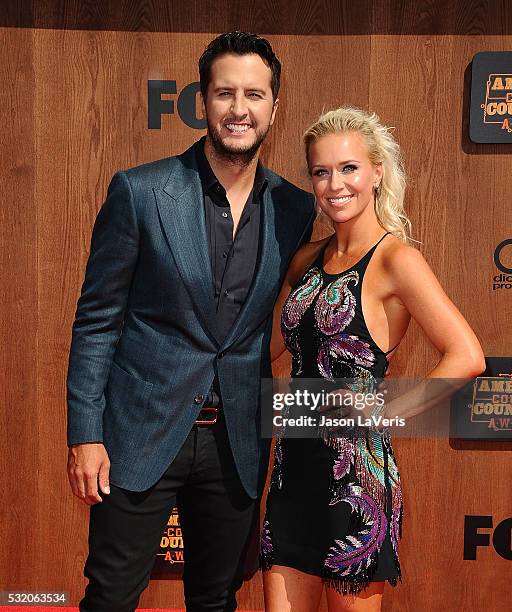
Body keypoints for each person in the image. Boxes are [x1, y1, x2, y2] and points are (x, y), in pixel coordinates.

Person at [66, 31, 315, 612]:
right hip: (138, 432)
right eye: (225, 92)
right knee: (110, 595)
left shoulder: (296, 209)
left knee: (216, 598)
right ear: (202, 101)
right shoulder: (141, 191)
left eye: (254, 95)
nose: (239, 108)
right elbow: (98, 320)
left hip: (235, 441)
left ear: (274, 108)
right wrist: (86, 433)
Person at [260, 107, 485, 611]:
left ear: (376, 172)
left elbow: (466, 354)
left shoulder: (396, 260)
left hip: (354, 483)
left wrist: (389, 411)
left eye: (349, 168)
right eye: (321, 171)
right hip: (291, 472)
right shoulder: (306, 259)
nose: (334, 184)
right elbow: (267, 348)